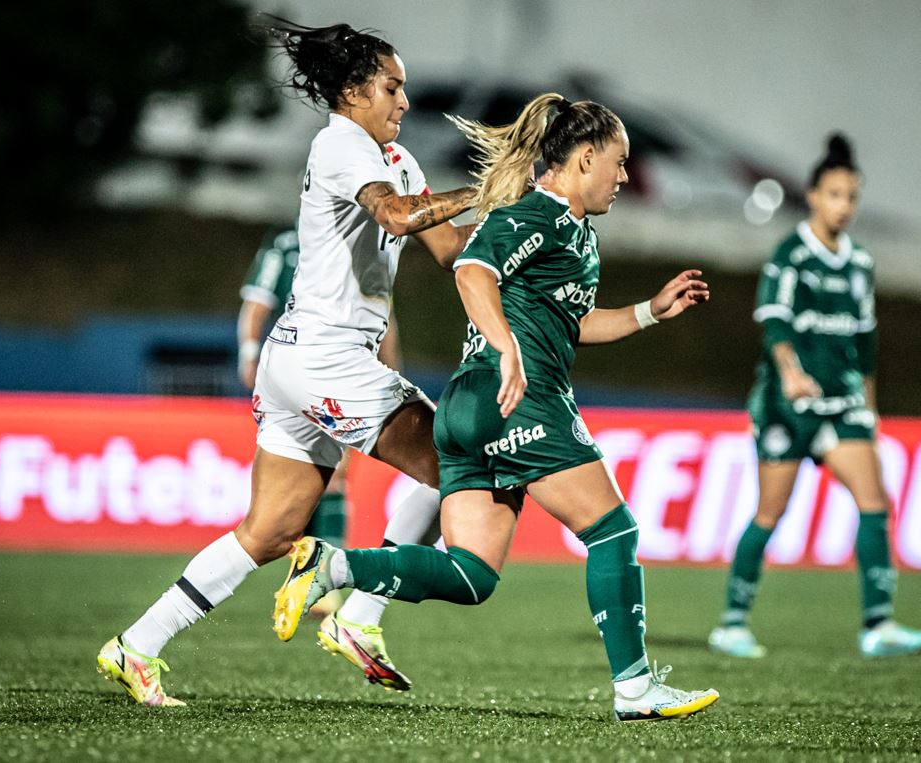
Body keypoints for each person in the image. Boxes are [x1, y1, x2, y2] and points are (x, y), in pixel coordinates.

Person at [271, 93, 720, 722]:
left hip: (471, 410)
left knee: (473, 575)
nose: (625, 177)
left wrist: (650, 311)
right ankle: (636, 689)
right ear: (584, 158)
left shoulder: (575, 230)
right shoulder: (535, 212)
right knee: (612, 530)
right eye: (619, 163)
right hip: (519, 398)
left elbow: (573, 323)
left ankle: (334, 565)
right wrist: (508, 350)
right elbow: (471, 270)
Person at [96, 19, 475, 706]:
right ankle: (360, 614)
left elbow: (449, 249)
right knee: (461, 462)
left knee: (269, 532)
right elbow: (394, 217)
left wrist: (527, 220)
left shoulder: (400, 160)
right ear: (354, 90)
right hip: (326, 358)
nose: (405, 102)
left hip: (300, 361)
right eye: (393, 87)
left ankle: (136, 645)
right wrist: (490, 188)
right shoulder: (339, 144)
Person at [708, 134, 921, 660]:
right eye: (834, 194)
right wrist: (789, 372)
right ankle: (732, 623)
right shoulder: (791, 255)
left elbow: (866, 340)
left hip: (842, 401)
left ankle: (878, 626)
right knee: (770, 512)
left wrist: (871, 404)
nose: (844, 206)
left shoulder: (860, 262)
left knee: (875, 503)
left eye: (851, 197)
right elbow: (774, 322)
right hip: (787, 405)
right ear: (813, 196)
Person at [238, 227, 407, 618]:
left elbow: (384, 319)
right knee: (290, 490)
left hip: (342, 371)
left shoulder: (362, 247)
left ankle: (319, 576)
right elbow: (257, 304)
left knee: (335, 472)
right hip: (296, 368)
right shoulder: (286, 245)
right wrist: (248, 353)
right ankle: (310, 569)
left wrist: (393, 375)